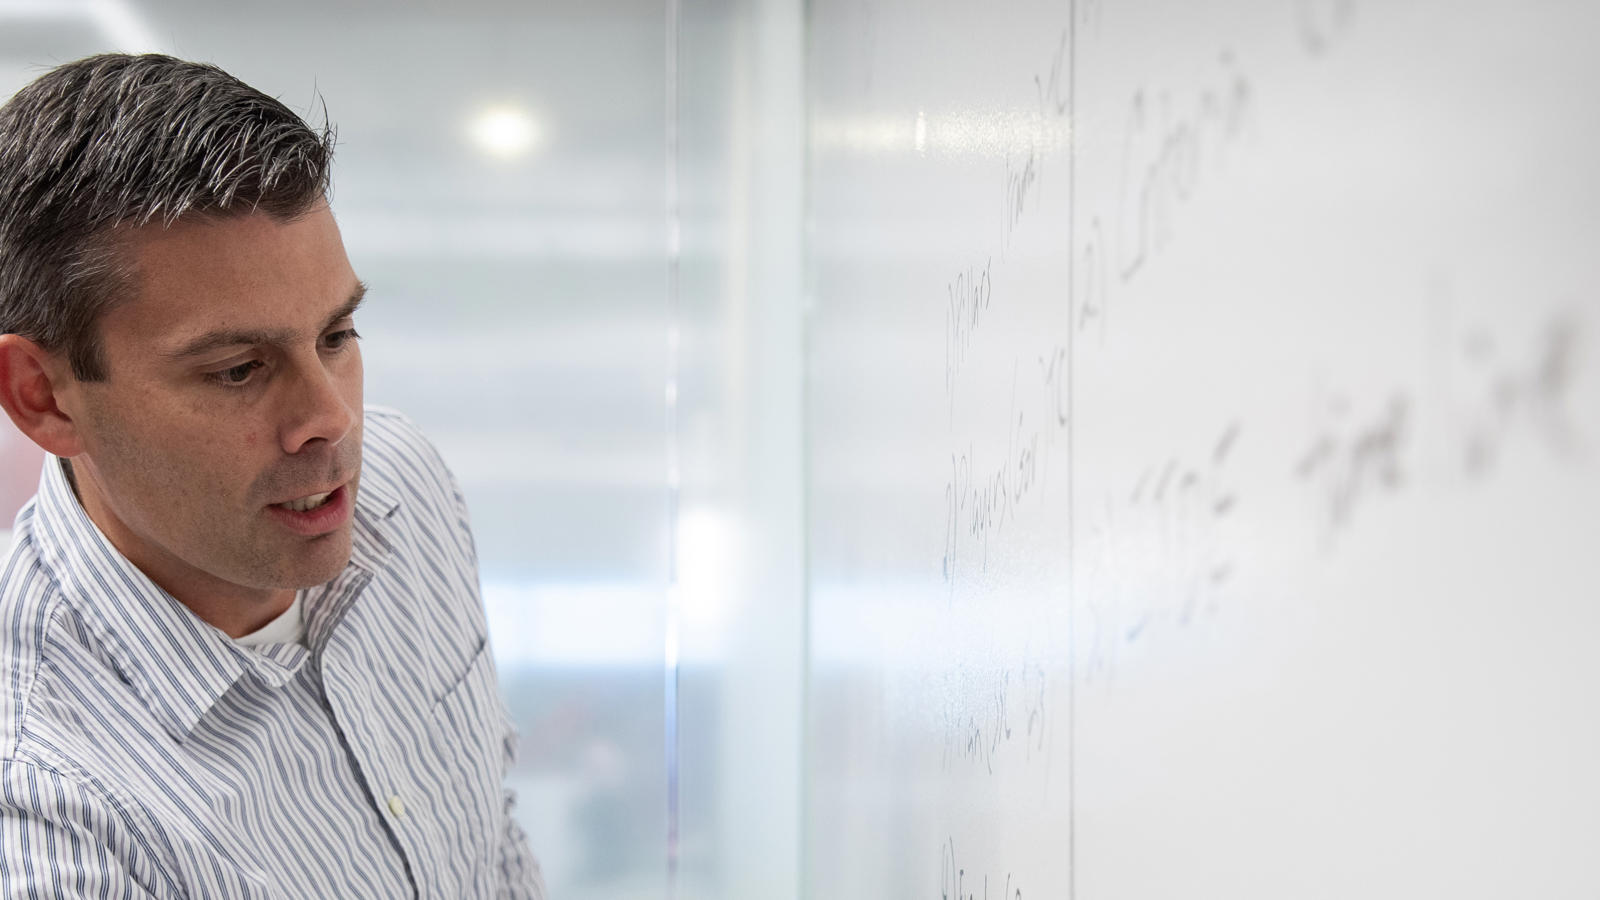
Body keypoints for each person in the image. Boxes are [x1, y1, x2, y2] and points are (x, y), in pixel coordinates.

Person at [0, 54, 545, 898]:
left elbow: (490, 840)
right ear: (44, 399)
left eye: (336, 337)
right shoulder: (45, 802)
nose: (331, 419)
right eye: (239, 371)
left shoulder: (405, 487)